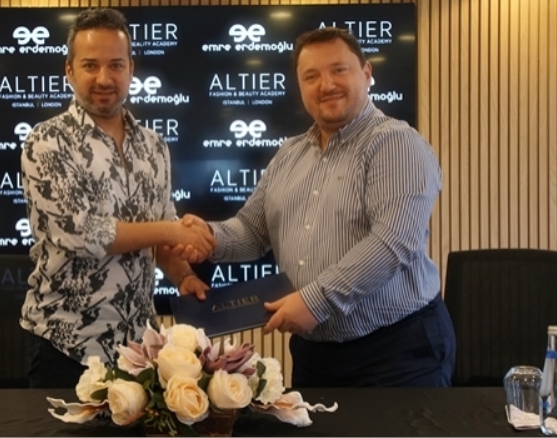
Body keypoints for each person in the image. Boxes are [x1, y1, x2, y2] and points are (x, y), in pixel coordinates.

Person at [178, 27, 456, 388]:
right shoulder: (289, 154)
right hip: (315, 354)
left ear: (366, 73)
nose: (326, 85)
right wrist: (210, 237)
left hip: (397, 352)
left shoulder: (396, 144)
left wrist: (315, 301)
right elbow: (252, 230)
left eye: (339, 70)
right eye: (311, 76)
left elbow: (392, 242)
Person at [19, 7, 211, 389]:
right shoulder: (46, 141)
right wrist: (173, 230)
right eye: (90, 65)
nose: (104, 78)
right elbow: (85, 234)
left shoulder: (154, 146)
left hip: (139, 350)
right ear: (69, 70)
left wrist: (184, 276)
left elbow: (162, 237)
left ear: (131, 69)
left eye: (116, 65)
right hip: (67, 350)